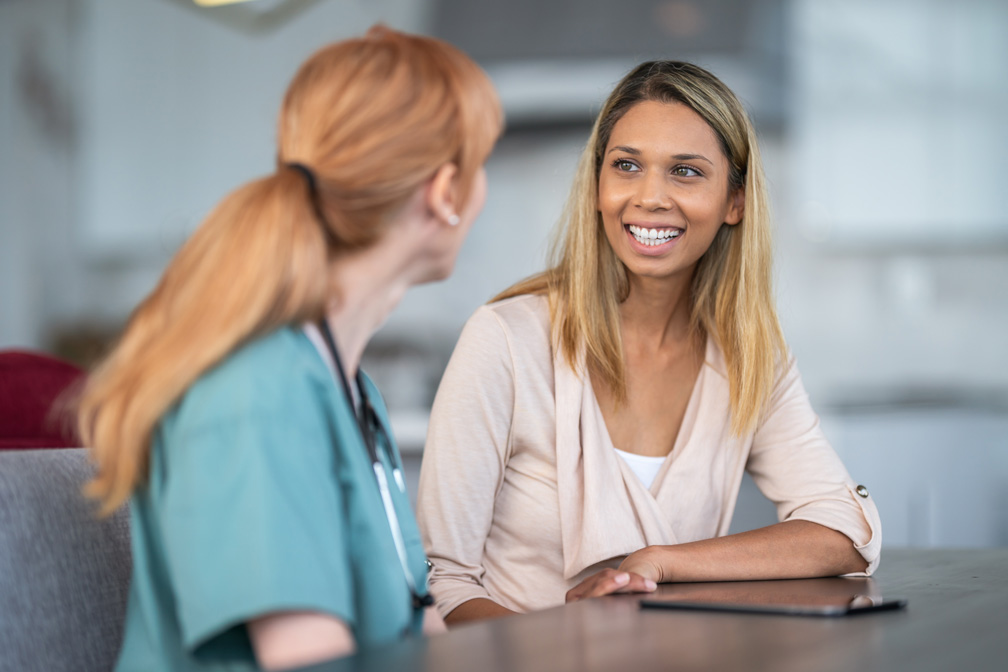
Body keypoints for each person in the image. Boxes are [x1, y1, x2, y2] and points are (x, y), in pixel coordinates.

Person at [76, 26, 502, 670]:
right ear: (445, 193)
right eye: (481, 166)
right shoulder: (257, 391)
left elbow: (413, 618)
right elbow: (310, 660)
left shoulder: (349, 388)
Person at [416, 60, 881, 624]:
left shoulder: (749, 358)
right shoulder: (507, 340)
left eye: (685, 171)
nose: (650, 197)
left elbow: (846, 533)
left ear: (734, 202)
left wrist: (662, 561)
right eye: (627, 165)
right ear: (597, 186)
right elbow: (444, 584)